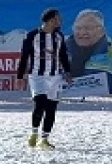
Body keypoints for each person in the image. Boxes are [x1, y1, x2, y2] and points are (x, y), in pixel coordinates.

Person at [17, 9, 72, 149]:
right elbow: (24, 57)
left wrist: (68, 72)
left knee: (51, 108)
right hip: (37, 75)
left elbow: (63, 56)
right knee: (40, 103)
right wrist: (20, 76)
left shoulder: (59, 36)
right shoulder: (32, 36)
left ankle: (45, 139)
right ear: (50, 20)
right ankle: (34, 133)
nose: (60, 21)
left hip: (55, 77)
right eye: (57, 19)